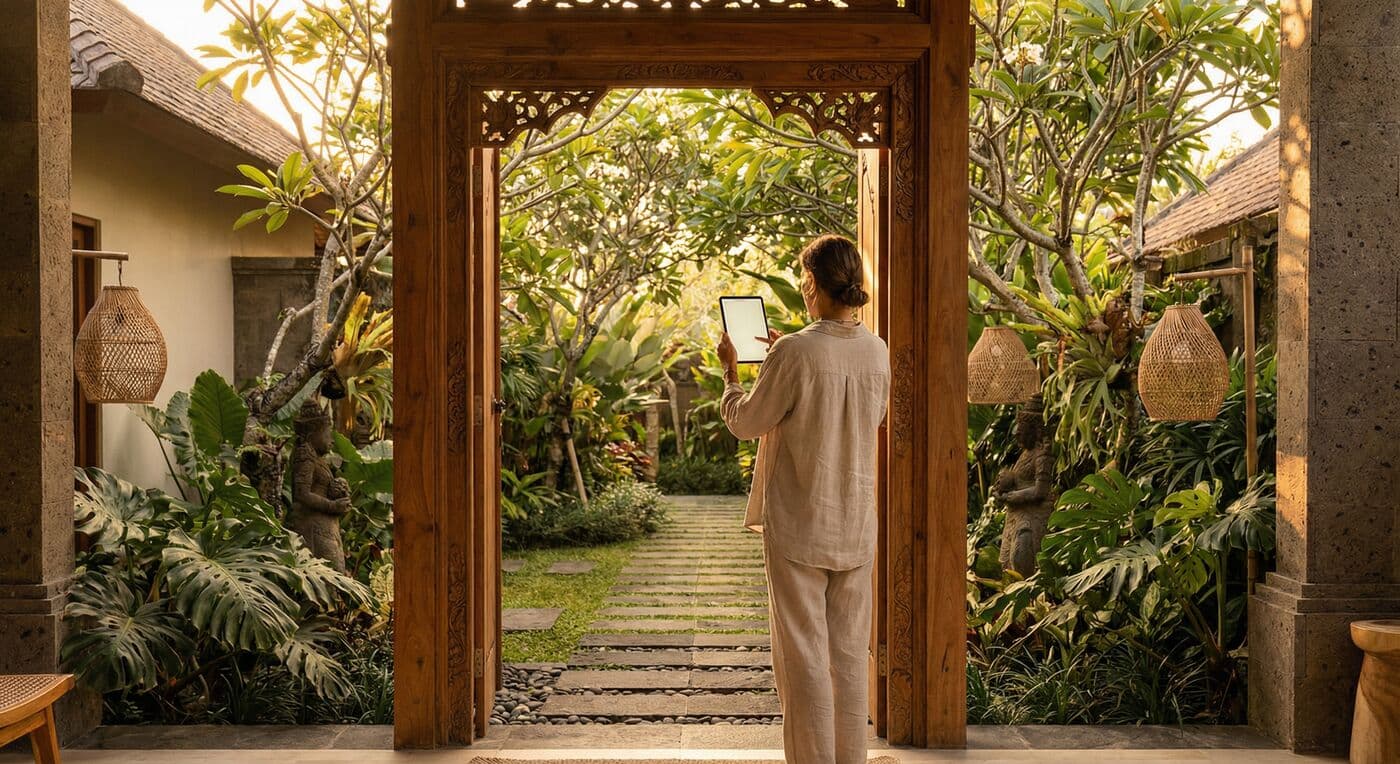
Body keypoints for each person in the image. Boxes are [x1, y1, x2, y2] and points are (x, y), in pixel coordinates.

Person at [717, 234, 890, 764]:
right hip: (856, 523)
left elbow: (747, 422)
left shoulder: (794, 350)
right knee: (847, 655)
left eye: (802, 279)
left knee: (804, 658)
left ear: (811, 284)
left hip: (799, 525)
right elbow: (870, 416)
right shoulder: (876, 349)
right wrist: (780, 359)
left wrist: (731, 370)